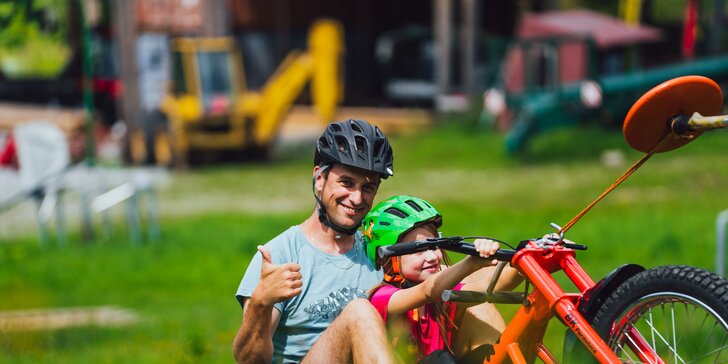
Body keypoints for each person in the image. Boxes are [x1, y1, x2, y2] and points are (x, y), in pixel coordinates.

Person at [233, 119, 397, 364]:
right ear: (319, 178)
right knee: (358, 311)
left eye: (368, 187)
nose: (357, 198)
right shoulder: (280, 255)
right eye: (347, 183)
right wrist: (260, 303)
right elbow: (248, 360)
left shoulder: (377, 253)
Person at [362, 195, 523, 363]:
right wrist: (470, 263)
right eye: (418, 250)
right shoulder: (382, 298)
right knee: (440, 360)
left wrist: (532, 259)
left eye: (434, 246)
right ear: (388, 259)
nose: (431, 256)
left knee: (492, 355)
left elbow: (491, 285)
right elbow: (427, 292)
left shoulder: (442, 296)